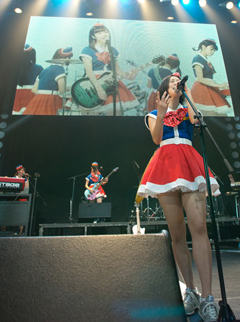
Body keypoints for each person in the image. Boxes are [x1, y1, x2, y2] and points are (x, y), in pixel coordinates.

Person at [136, 73, 220, 321]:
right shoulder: (153, 114)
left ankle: (207, 297)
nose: (176, 83)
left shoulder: (187, 109)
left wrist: (188, 93)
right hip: (165, 165)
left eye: (178, 82)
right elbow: (156, 138)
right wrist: (162, 111)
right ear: (163, 89)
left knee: (199, 227)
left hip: (189, 161)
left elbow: (195, 120)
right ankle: (190, 290)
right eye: (172, 82)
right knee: (177, 234)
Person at [79, 23, 139, 115]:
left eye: (105, 32)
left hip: (111, 83)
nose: (104, 34)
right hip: (93, 84)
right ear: (93, 36)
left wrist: (130, 76)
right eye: (99, 33)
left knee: (116, 113)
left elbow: (117, 70)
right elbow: (89, 71)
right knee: (92, 117)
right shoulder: (87, 50)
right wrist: (99, 89)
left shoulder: (113, 50)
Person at [25, 47, 73, 115]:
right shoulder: (60, 69)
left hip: (38, 100)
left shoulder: (44, 70)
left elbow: (34, 90)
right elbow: (62, 91)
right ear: (67, 58)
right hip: (51, 100)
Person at [190, 38, 230, 116]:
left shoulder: (205, 59)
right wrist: (219, 85)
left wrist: (221, 86)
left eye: (214, 50)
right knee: (211, 114)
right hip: (202, 88)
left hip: (209, 87)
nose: (213, 52)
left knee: (220, 115)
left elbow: (210, 78)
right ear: (203, 46)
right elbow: (200, 79)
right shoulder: (197, 58)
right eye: (212, 49)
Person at [13, 44, 43, 114]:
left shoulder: (14, 67)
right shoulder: (38, 68)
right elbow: (43, 81)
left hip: (16, 93)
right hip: (30, 94)